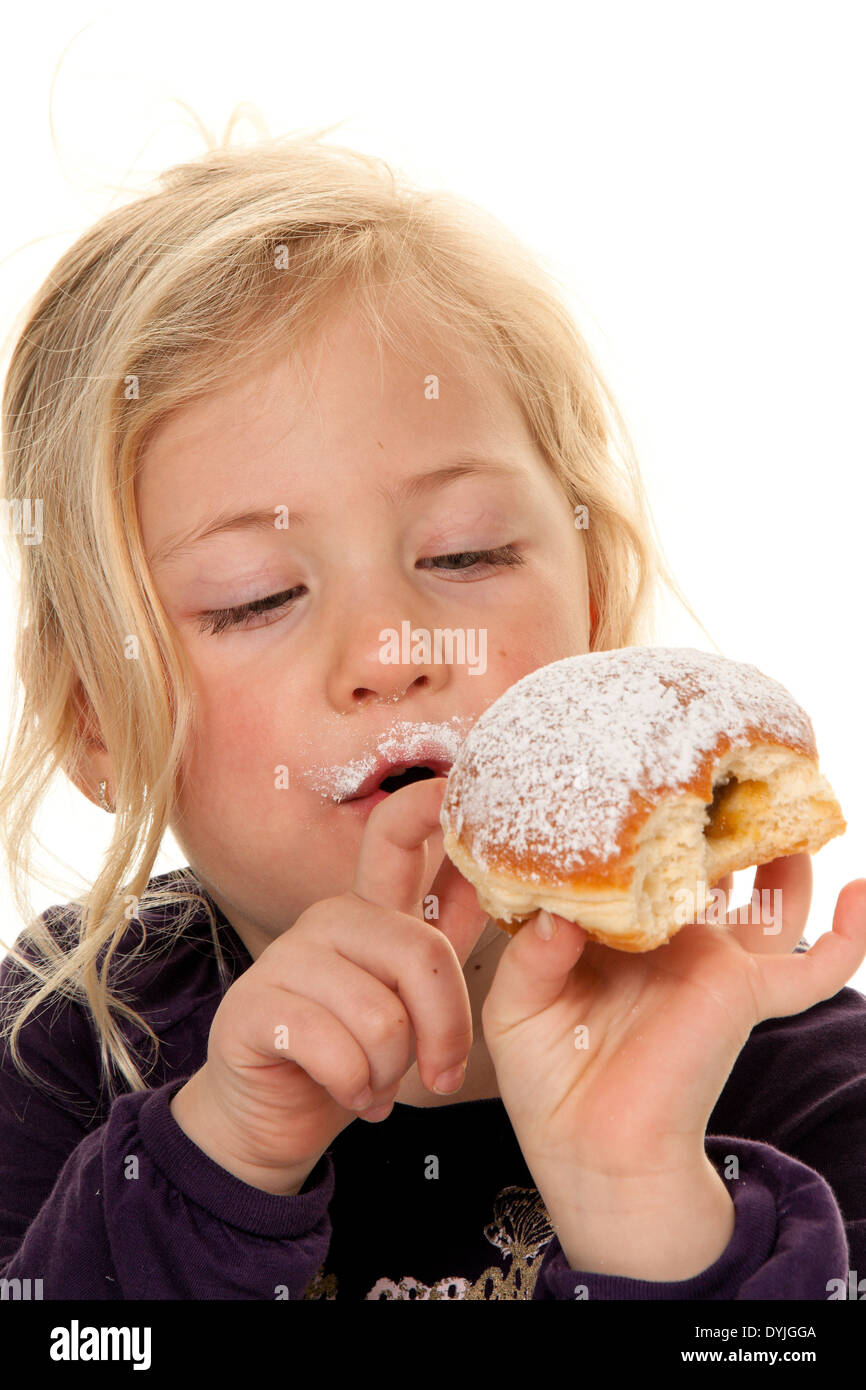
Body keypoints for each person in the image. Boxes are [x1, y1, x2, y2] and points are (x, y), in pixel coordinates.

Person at [1, 127, 864, 1301]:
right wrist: (218, 1163)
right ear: (99, 724)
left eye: (464, 555)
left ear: (595, 609)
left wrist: (642, 1206)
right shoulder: (60, 1048)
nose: (392, 650)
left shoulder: (787, 1055)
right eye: (257, 598)